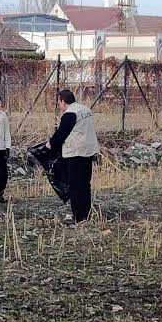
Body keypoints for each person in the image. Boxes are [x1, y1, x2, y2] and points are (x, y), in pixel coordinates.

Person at [45, 89, 99, 223]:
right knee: (85, 184)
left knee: (75, 186)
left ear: (63, 101)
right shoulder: (85, 110)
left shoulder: (70, 113)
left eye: (59, 103)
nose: (59, 106)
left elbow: (62, 133)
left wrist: (50, 144)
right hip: (89, 151)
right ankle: (86, 214)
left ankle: (78, 217)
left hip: (76, 152)